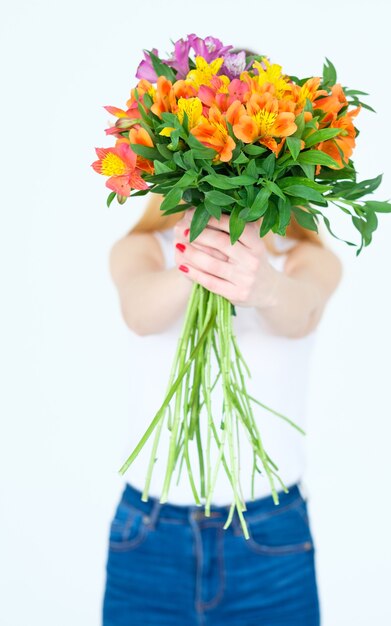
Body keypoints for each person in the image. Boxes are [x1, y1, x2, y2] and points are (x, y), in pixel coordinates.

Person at [102, 192, 342, 626]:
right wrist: (200, 259)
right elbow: (138, 312)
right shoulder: (142, 248)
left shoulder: (307, 258)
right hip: (147, 534)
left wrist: (264, 284)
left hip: (271, 534)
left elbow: (300, 314)